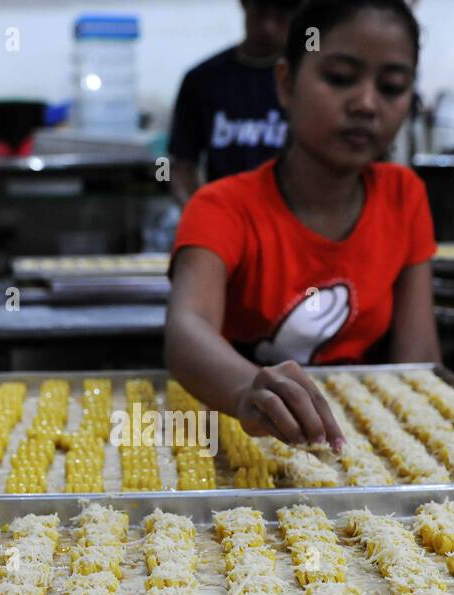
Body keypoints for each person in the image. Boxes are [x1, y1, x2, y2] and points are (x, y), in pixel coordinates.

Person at [166, 0, 437, 449]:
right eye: (339, 78)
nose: (366, 104)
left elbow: (417, 362)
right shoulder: (222, 206)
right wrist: (246, 388)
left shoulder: (404, 196)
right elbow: (187, 330)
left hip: (357, 444)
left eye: (391, 86)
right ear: (287, 83)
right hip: (237, 434)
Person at [167, 0, 303, 206]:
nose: (268, 27)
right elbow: (179, 165)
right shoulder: (202, 79)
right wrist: (198, 215)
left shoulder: (308, 81)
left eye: (280, 17)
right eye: (261, 13)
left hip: (291, 221)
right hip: (225, 218)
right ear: (244, 6)